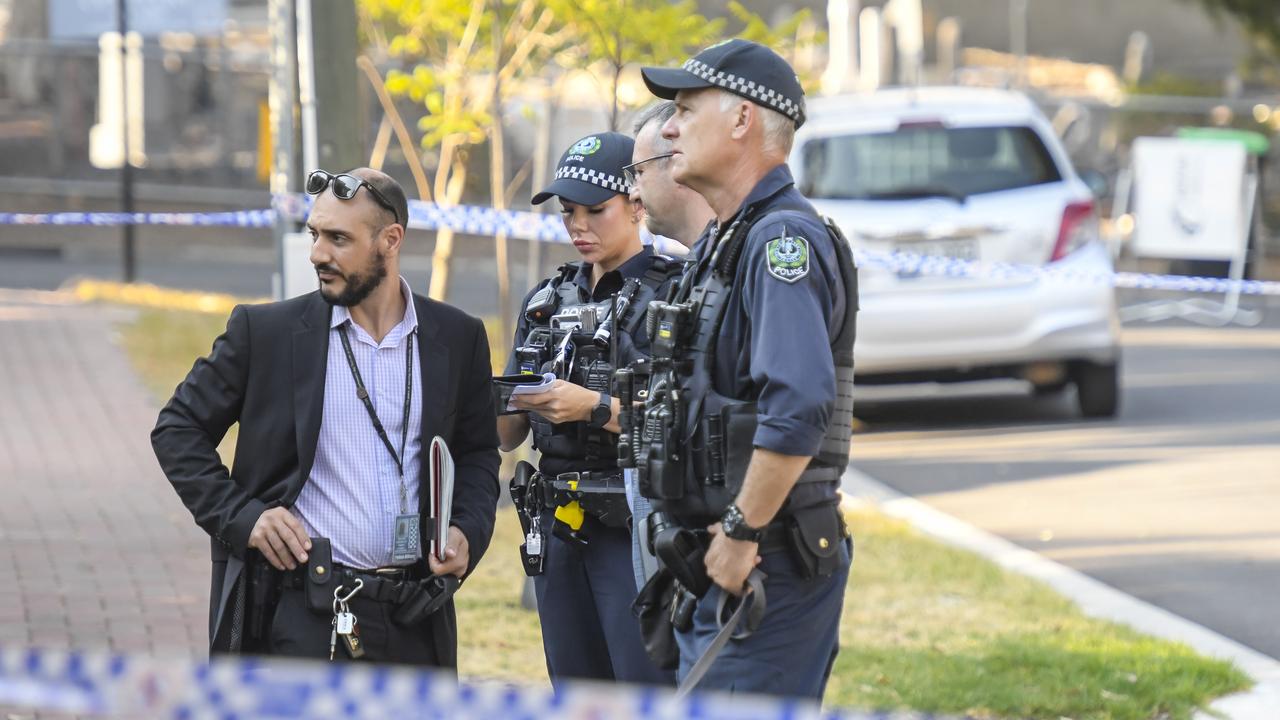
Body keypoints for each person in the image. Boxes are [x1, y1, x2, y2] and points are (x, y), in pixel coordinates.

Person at [152, 168, 501, 666]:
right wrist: (243, 517)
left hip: (417, 611)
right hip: (302, 611)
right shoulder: (265, 333)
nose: (318, 253)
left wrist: (468, 527)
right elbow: (177, 429)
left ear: (390, 240)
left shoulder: (457, 336)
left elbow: (477, 452)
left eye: (338, 238)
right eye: (315, 234)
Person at [627, 39, 860, 698]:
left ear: (742, 121)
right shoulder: (726, 241)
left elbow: (799, 406)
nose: (669, 127)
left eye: (685, 108)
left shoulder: (781, 242)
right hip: (724, 562)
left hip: (764, 562)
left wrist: (738, 532)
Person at [498, 132, 679, 687]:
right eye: (567, 211)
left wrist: (594, 407)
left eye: (595, 210)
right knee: (575, 692)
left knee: (642, 688)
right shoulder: (546, 300)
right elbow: (505, 434)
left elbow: (684, 427)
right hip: (556, 523)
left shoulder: (674, 294)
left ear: (637, 204)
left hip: (635, 526)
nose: (578, 225)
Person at [622, 101, 716, 589]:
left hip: (720, 545)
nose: (633, 192)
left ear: (678, 165)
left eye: (637, 172)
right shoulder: (698, 270)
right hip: (680, 534)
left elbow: (789, 411)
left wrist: (739, 532)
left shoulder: (744, 261)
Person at [627, 101, 715, 250]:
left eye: (640, 171)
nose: (633, 194)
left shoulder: (742, 254)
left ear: (679, 163)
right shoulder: (719, 257)